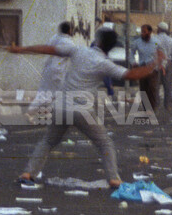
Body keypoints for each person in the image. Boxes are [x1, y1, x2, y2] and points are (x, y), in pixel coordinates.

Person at [9, 28, 162, 189]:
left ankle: (28, 174)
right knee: (104, 143)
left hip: (61, 105)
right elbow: (131, 75)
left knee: (48, 141)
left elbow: (49, 49)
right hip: (82, 109)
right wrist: (154, 64)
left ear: (98, 41)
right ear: (110, 47)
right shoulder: (104, 63)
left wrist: (21, 49)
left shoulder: (78, 50)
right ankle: (114, 178)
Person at [27, 21, 76, 121]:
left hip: (49, 69)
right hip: (57, 72)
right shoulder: (69, 42)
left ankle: (43, 114)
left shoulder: (54, 38)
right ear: (70, 30)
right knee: (50, 95)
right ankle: (31, 112)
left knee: (49, 94)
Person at [130, 24, 160, 113]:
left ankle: (152, 108)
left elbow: (160, 51)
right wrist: (133, 62)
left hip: (152, 68)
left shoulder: (155, 42)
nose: (142, 34)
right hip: (142, 67)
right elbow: (131, 53)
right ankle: (146, 108)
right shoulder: (137, 42)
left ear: (150, 32)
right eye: (141, 32)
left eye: (144, 32)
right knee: (143, 89)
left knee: (152, 88)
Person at [154, 21, 172, 110]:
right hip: (168, 63)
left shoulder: (155, 40)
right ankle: (168, 106)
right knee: (168, 85)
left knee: (156, 85)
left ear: (159, 29)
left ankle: (155, 105)